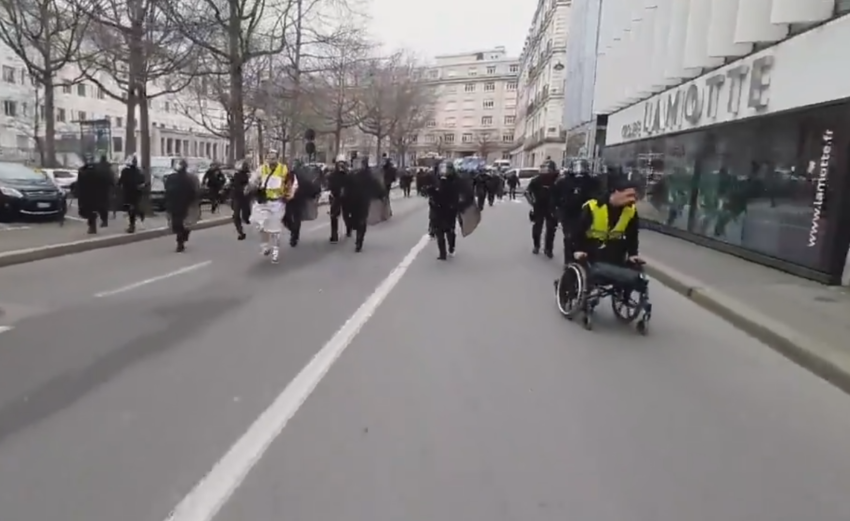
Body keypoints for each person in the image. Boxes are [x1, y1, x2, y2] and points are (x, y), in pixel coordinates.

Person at [569, 178, 641, 267]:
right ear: (616, 192)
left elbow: (632, 234)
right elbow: (578, 230)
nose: (632, 199)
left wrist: (633, 254)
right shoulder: (593, 206)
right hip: (590, 252)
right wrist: (578, 249)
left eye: (634, 196)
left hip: (615, 253)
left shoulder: (631, 210)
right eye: (629, 195)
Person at [250, 153, 295, 262]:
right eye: (269, 158)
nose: (271, 161)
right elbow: (253, 179)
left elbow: (292, 183)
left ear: (277, 159)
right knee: (260, 224)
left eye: (273, 158)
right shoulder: (262, 168)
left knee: (275, 230)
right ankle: (265, 247)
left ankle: (275, 252)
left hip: (277, 203)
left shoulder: (283, 169)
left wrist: (289, 195)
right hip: (264, 202)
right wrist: (252, 185)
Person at [553, 164, 599, 265]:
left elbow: (598, 195)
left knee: (584, 236)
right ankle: (569, 261)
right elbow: (555, 196)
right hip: (568, 213)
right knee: (569, 237)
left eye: (582, 167)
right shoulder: (564, 181)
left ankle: (583, 259)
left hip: (586, 212)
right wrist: (557, 210)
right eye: (577, 167)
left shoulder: (592, 182)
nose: (579, 170)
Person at [427, 161, 472, 260]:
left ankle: (451, 247)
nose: (444, 172)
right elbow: (429, 191)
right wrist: (430, 192)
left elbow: (466, 193)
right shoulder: (435, 179)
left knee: (449, 230)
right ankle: (442, 253)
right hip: (437, 208)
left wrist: (460, 204)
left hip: (450, 209)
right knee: (439, 231)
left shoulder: (457, 181)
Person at [343, 157, 385, 252]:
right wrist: (381, 195)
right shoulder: (368, 176)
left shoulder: (355, 175)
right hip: (362, 201)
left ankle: (358, 237)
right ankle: (359, 238)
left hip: (355, 200)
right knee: (361, 219)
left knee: (357, 218)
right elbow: (377, 187)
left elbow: (347, 187)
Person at [164, 159, 201, 252]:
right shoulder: (171, 178)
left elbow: (193, 191)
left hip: (183, 204)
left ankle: (180, 241)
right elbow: (167, 189)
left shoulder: (189, 178)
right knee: (177, 224)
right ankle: (181, 238)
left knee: (183, 224)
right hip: (175, 203)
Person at [525, 161, 559, 257]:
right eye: (544, 168)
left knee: (551, 229)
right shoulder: (537, 180)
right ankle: (536, 245)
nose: (546, 171)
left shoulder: (557, 180)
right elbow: (527, 192)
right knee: (537, 227)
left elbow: (562, 193)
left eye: (548, 169)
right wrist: (533, 202)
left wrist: (559, 205)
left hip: (552, 207)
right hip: (539, 206)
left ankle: (548, 249)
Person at [76, 154, 113, 234]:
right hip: (94, 194)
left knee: (91, 210)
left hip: (90, 194)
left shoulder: (84, 171)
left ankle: (93, 227)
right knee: (95, 209)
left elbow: (80, 183)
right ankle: (94, 225)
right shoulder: (98, 170)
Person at [117, 155, 145, 233]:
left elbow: (120, 181)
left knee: (130, 209)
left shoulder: (125, 171)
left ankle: (132, 225)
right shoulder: (139, 171)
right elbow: (142, 182)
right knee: (133, 207)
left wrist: (118, 188)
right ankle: (139, 214)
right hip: (136, 193)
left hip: (128, 192)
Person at [327, 157, 350, 243]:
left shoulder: (346, 174)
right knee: (335, 216)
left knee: (344, 215)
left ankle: (347, 229)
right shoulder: (343, 174)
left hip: (343, 197)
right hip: (338, 196)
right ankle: (335, 235)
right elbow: (329, 184)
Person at [230, 159, 252, 240]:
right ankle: (240, 231)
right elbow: (235, 186)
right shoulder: (236, 175)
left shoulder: (248, 175)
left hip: (244, 197)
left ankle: (245, 222)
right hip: (237, 197)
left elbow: (251, 186)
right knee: (236, 215)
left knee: (245, 215)